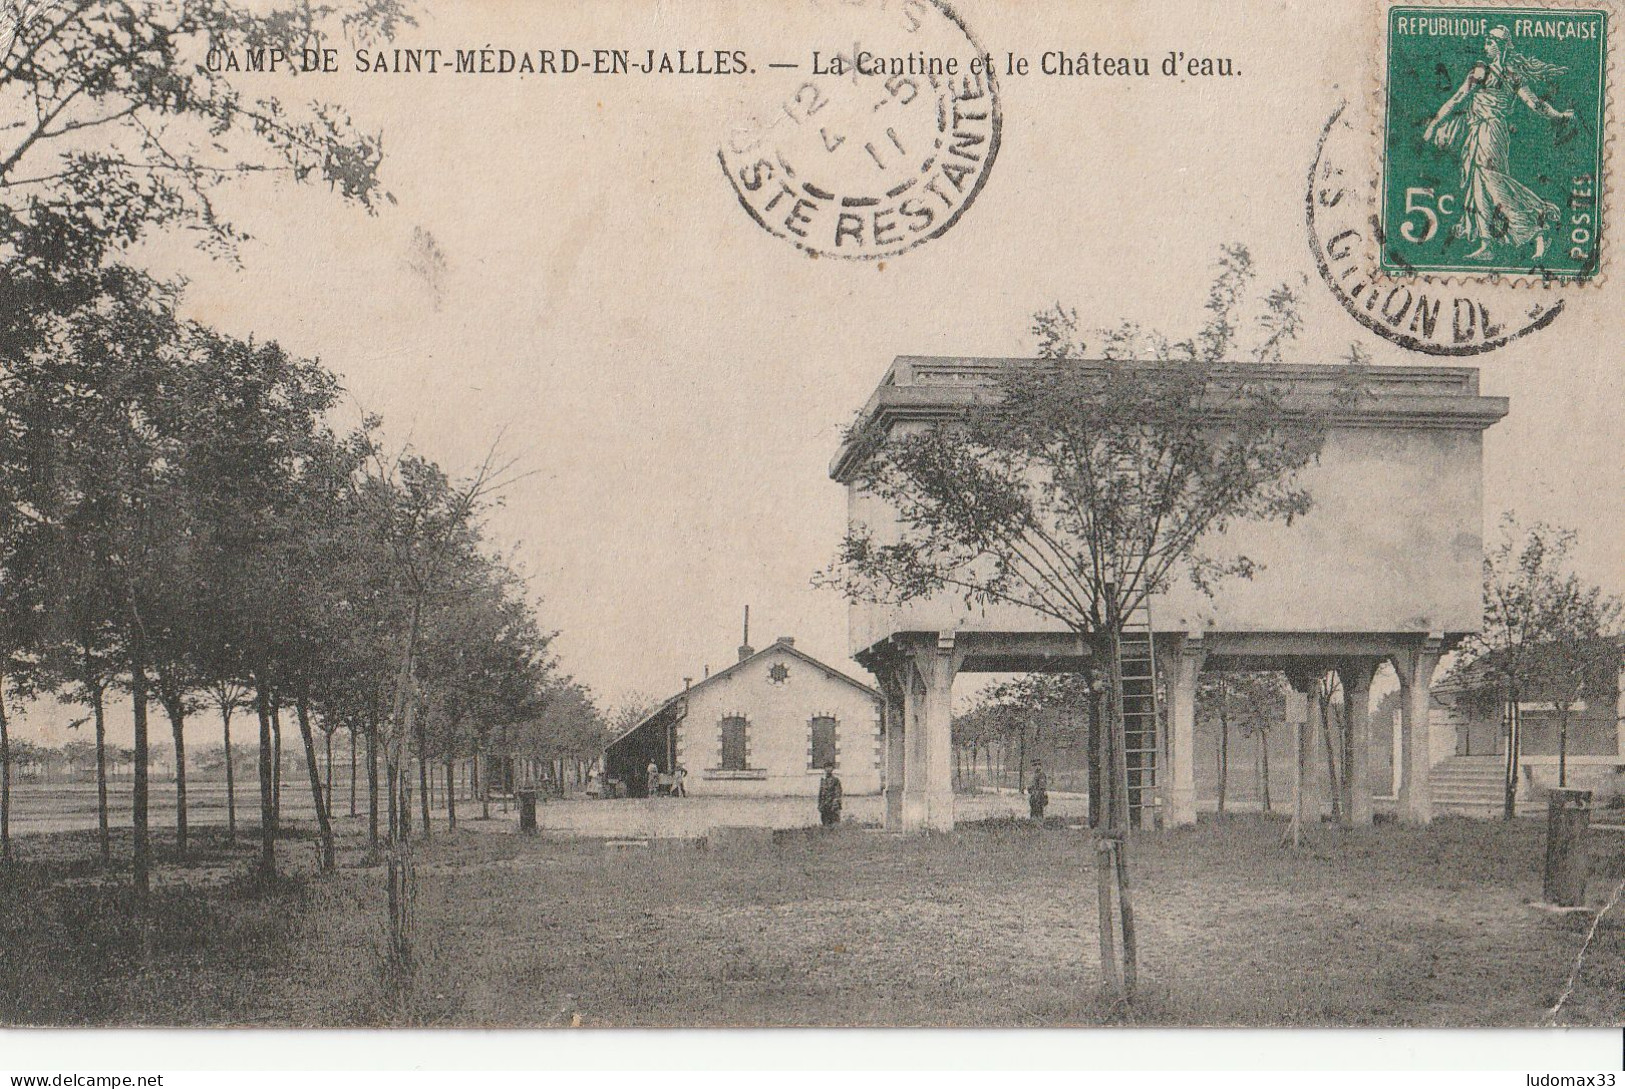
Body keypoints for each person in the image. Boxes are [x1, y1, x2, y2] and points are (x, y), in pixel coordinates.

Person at [1422, 25, 1575, 260]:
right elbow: (1457, 99)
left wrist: (1559, 116)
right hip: (1480, 131)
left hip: (1491, 132)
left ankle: (1537, 223)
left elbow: (1535, 104)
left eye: (1490, 42)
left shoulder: (1499, 74)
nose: (1486, 46)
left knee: (1493, 184)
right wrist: (1434, 123)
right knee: (1480, 186)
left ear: (1499, 46)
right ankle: (1489, 244)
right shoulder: (1488, 72)